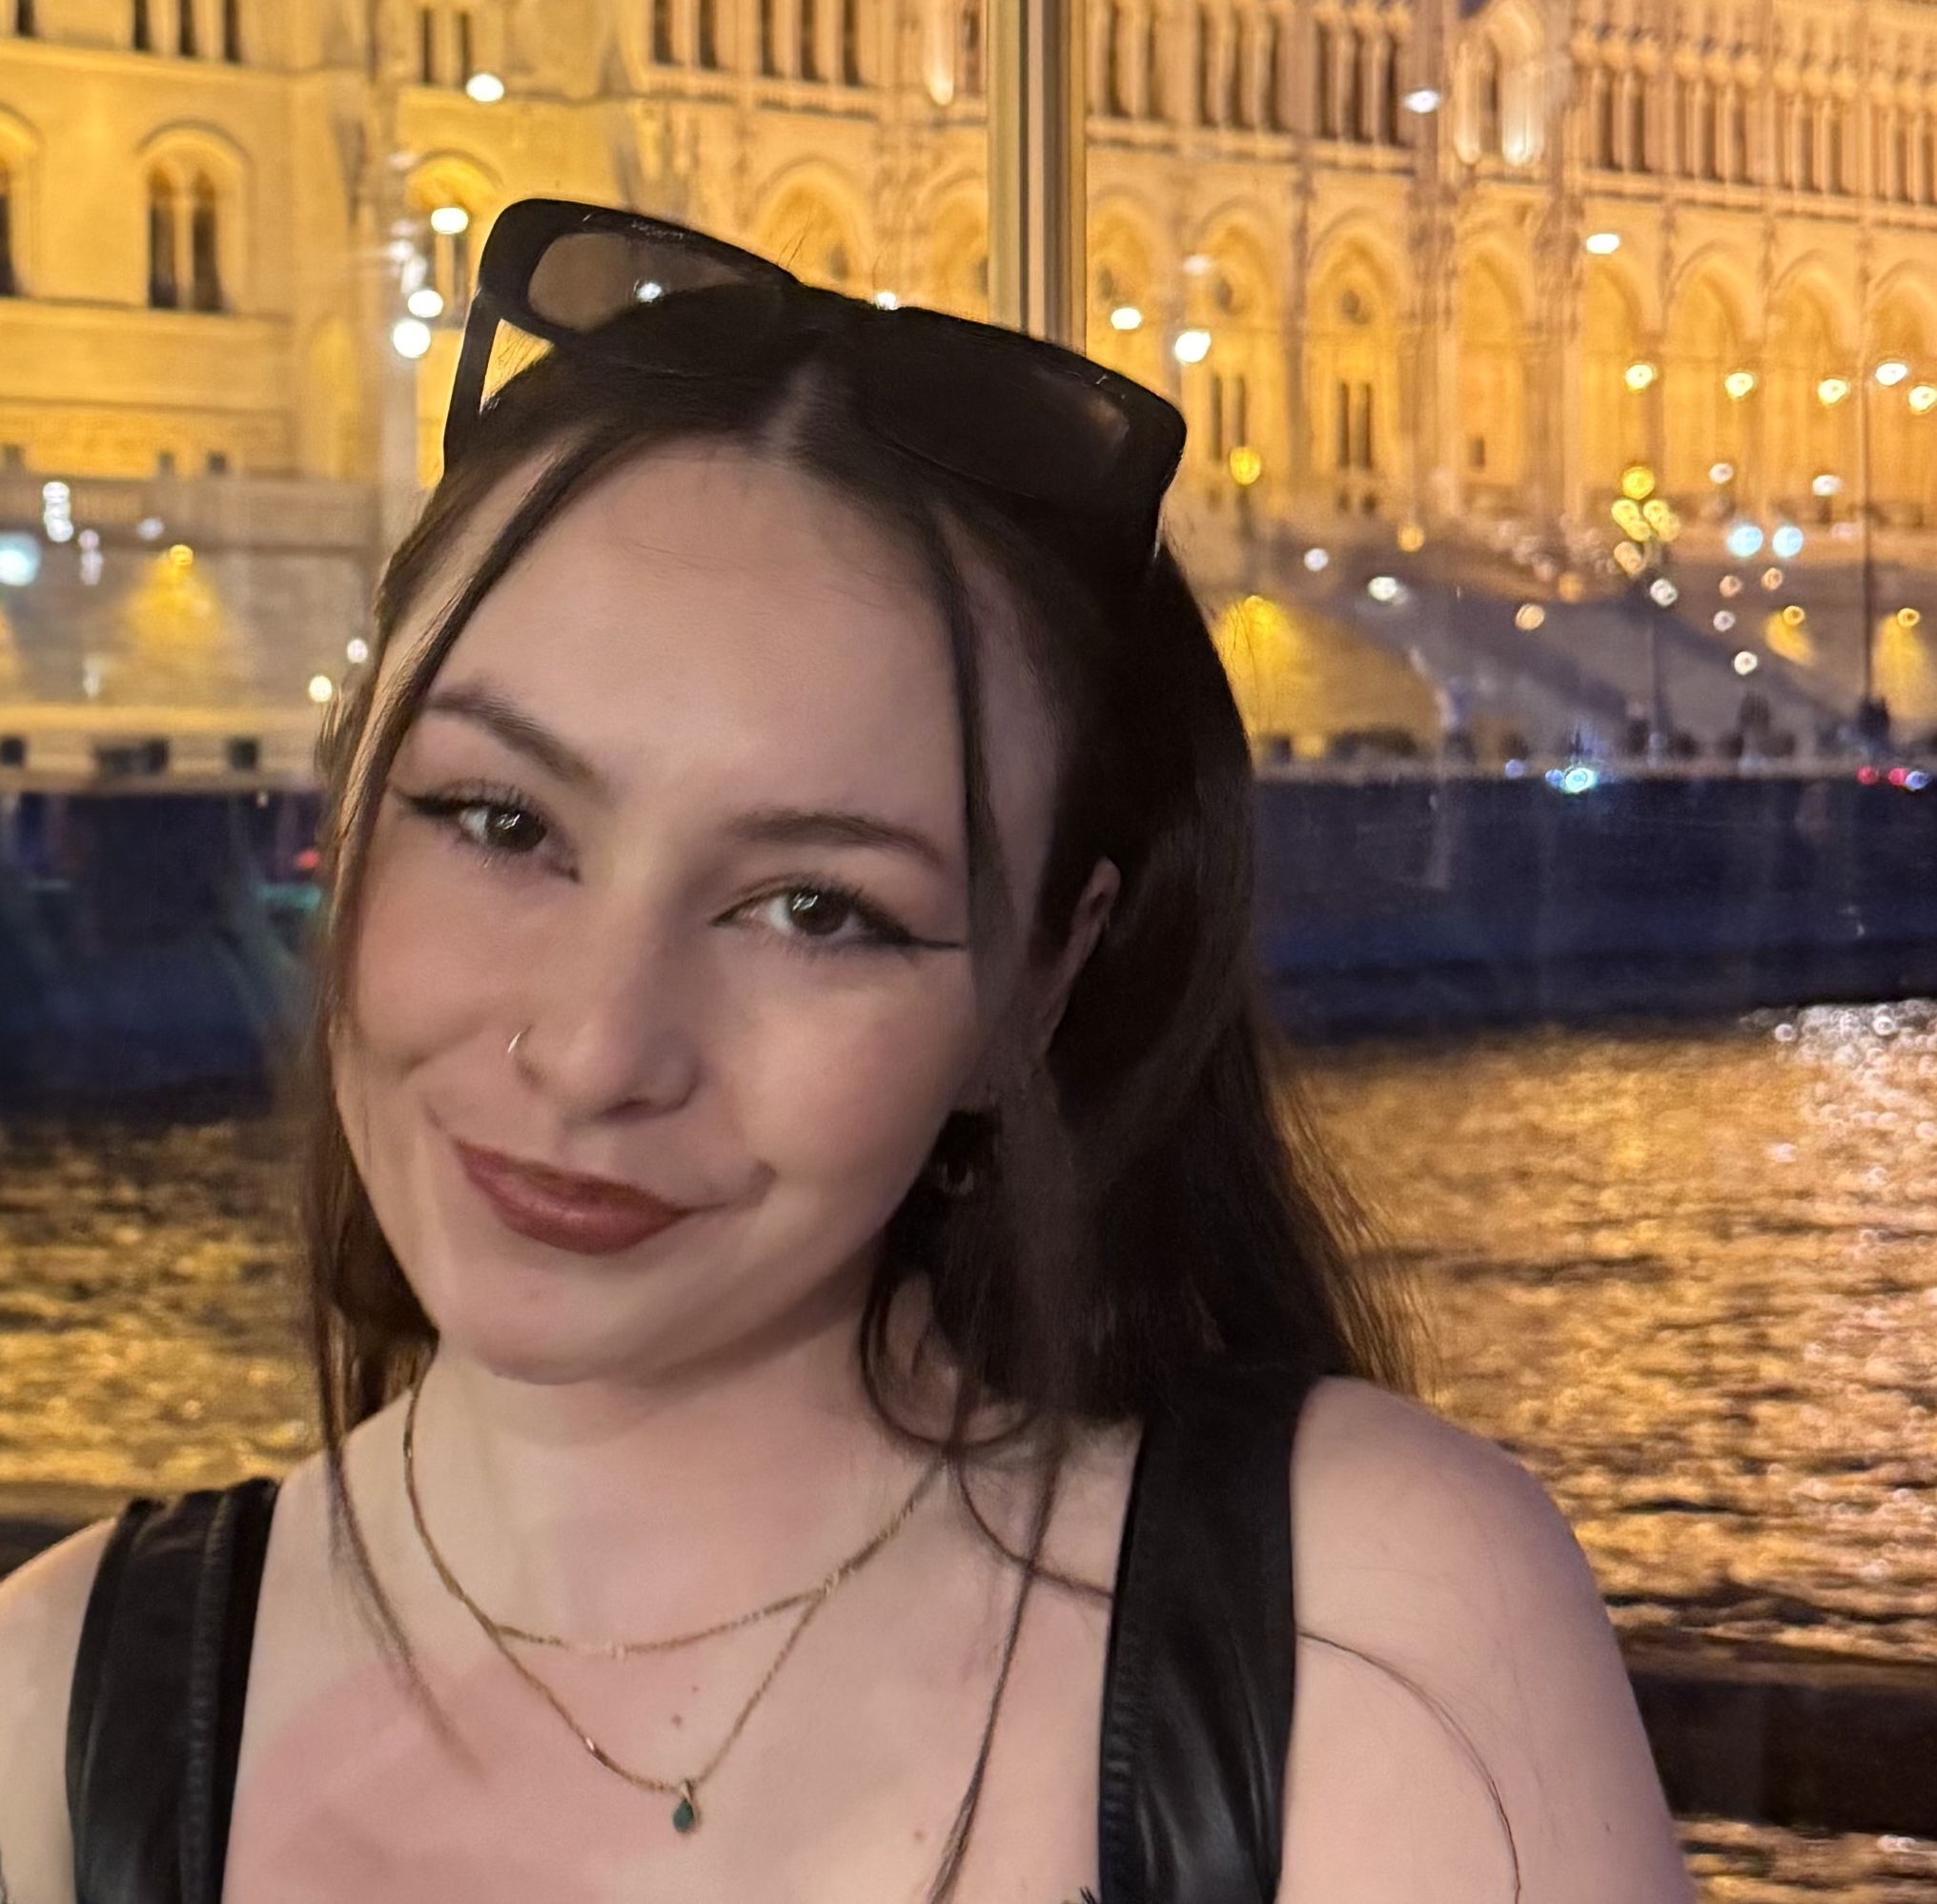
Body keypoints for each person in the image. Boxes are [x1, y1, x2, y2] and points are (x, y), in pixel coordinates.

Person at [0, 200, 1694, 1904]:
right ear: (351, 793)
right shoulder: (42, 1711)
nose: (594, 1051)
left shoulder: (1358, 1635)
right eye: (499, 821)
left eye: (816, 909)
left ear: (1042, 985)